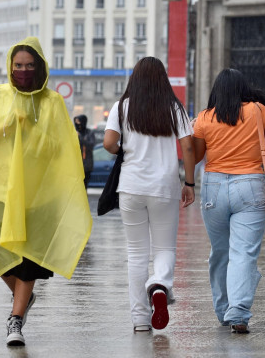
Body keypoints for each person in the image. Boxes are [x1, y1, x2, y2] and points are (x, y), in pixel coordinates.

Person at [0, 37, 92, 346]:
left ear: (39, 67)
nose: (23, 71)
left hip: (37, 195)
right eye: (18, 66)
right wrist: (7, 126)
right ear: (9, 67)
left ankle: (15, 321)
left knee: (27, 258)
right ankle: (23, 299)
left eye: (29, 65)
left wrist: (33, 132)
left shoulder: (52, 102)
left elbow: (61, 147)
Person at [192, 68, 265, 334]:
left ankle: (222, 309)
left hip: (214, 187)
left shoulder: (204, 119)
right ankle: (238, 313)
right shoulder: (257, 111)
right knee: (244, 252)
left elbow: (194, 157)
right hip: (250, 186)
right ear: (243, 88)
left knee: (220, 252)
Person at [103, 56, 196, 332]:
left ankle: (140, 320)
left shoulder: (121, 107)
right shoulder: (174, 108)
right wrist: (189, 184)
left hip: (131, 187)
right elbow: (188, 147)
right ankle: (160, 284)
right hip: (164, 187)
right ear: (162, 80)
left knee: (136, 253)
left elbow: (109, 142)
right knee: (164, 247)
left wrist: (126, 151)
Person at [74, 114, 96, 188]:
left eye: (78, 122)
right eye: (76, 122)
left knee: (84, 185)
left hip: (86, 164)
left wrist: (80, 138)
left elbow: (91, 145)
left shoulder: (89, 133)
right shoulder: (73, 132)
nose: (77, 124)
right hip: (75, 163)